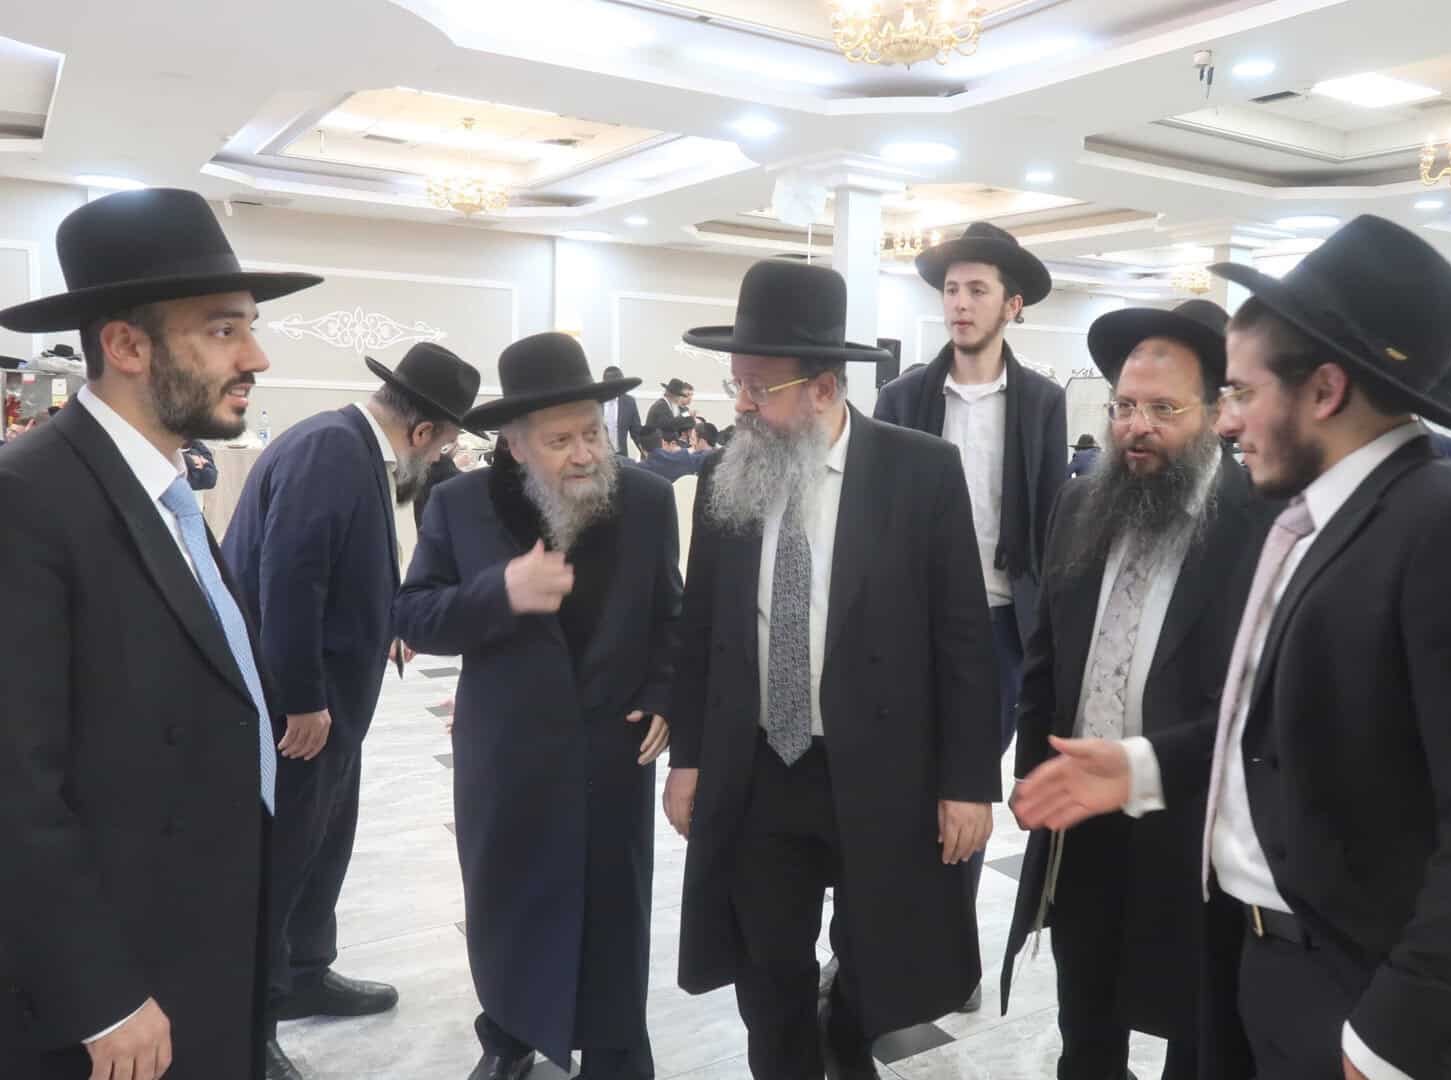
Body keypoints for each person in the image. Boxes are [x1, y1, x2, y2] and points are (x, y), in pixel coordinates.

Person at [1014, 215, 1451, 1080]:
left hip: (1360, 1001)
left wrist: (1395, 1033)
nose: (1230, 422)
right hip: (1262, 961)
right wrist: (1143, 765)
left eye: (1241, 392)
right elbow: (1282, 730)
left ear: (1324, 391)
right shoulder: (1318, 517)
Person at [0, 187, 320, 1079]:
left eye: (249, 326)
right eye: (222, 329)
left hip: (206, 931)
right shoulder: (28, 499)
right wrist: (99, 994)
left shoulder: (165, 491)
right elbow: (13, 785)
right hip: (118, 987)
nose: (256, 356)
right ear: (127, 346)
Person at [666, 259, 1000, 1080]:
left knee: (878, 952)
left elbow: (963, 638)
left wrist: (968, 783)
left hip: (879, 766)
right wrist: (689, 760)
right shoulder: (724, 475)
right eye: (737, 384)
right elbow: (701, 628)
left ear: (822, 389)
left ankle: (847, 1044)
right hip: (759, 767)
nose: (740, 405)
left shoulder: (920, 472)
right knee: (766, 963)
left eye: (759, 388)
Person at [395, 333, 680, 1080]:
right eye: (560, 441)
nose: (584, 454)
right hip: (508, 756)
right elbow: (414, 615)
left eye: (592, 433)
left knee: (613, 911)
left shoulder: (647, 501)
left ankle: (616, 1050)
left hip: (613, 753)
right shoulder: (458, 505)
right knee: (509, 906)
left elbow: (672, 616)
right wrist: (501, 593)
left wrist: (663, 693)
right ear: (515, 445)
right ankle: (510, 1035)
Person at [1002, 300, 1260, 1080]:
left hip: (1195, 824)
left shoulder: (1263, 520)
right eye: (1123, 406)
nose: (1135, 428)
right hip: (1082, 817)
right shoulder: (1083, 500)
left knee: (1200, 1028)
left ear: (1216, 412)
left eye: (1163, 409)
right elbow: (1047, 655)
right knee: (1086, 1018)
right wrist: (1032, 773)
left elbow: (1263, 703)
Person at [222, 341, 480, 1080]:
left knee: (323, 841)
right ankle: (250, 1024)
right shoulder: (333, 451)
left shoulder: (344, 444)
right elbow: (290, 579)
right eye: (446, 442)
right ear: (424, 431)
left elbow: (342, 561)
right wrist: (301, 698)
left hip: (337, 696)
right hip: (299, 704)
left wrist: (385, 621)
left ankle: (306, 971)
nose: (442, 457)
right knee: (282, 859)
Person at [875, 219, 1068, 1011]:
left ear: (1011, 305)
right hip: (905, 624)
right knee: (897, 787)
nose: (960, 302)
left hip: (997, 629)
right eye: (952, 289)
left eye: (977, 290)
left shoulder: (1043, 403)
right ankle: (884, 951)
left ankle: (952, 964)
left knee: (965, 789)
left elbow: (1051, 521)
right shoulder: (901, 398)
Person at [603, 364, 642, 457]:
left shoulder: (629, 402)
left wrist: (646, 452)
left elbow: (636, 433)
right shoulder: (596, 403)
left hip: (621, 456)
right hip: (598, 457)